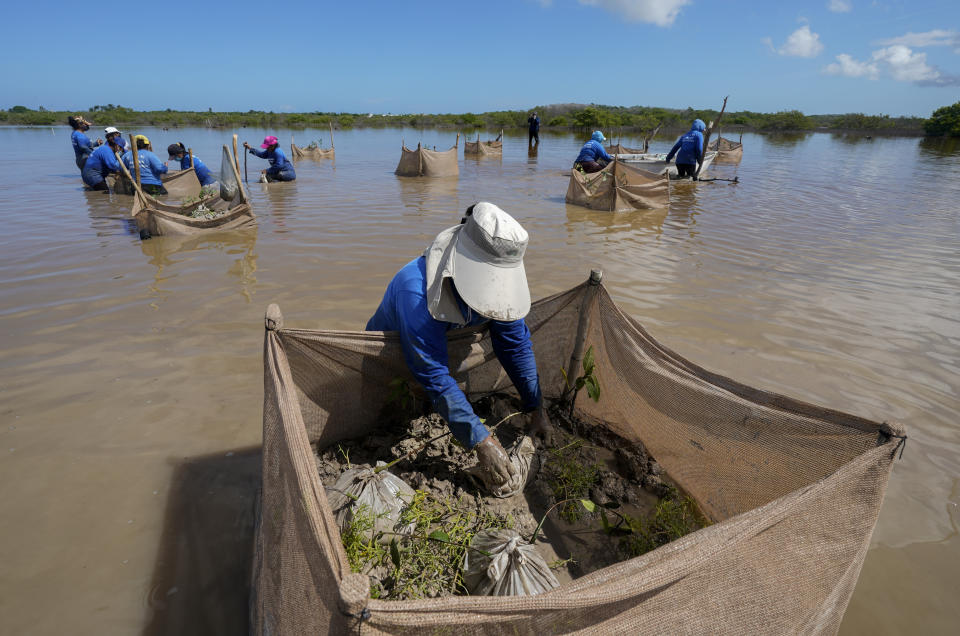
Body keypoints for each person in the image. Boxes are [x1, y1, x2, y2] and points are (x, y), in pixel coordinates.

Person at [366, 202, 552, 493]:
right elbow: (433, 374)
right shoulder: (416, 291)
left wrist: (536, 407)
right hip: (392, 360)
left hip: (437, 357)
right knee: (382, 416)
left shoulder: (499, 295)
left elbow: (514, 345)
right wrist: (482, 441)